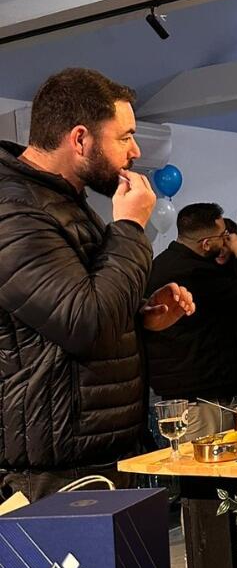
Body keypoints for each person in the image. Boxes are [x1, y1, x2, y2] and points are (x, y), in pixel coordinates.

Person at [0, 68, 195, 500]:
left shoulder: (62, 200)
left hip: (96, 455)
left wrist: (140, 315)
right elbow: (86, 324)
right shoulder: (13, 211)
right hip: (54, 473)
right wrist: (130, 227)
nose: (135, 151)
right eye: (125, 137)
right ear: (80, 139)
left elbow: (77, 306)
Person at [143, 204, 237, 438]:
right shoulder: (193, 272)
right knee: (207, 460)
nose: (227, 241)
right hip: (203, 397)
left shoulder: (163, 263)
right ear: (206, 244)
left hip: (196, 392)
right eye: (223, 236)